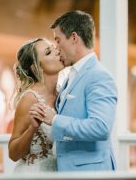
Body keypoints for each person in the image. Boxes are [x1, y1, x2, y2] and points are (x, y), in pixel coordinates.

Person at [30, 11, 118, 171]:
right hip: (70, 174)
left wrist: (55, 120)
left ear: (74, 38)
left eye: (58, 40)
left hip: (90, 177)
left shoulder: (99, 76)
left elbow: (101, 127)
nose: (56, 48)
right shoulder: (72, 75)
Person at [8, 38, 64, 172]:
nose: (57, 51)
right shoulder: (30, 98)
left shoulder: (62, 91)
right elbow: (13, 154)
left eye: (53, 47)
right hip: (35, 175)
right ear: (36, 67)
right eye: (48, 52)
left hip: (60, 173)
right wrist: (32, 128)